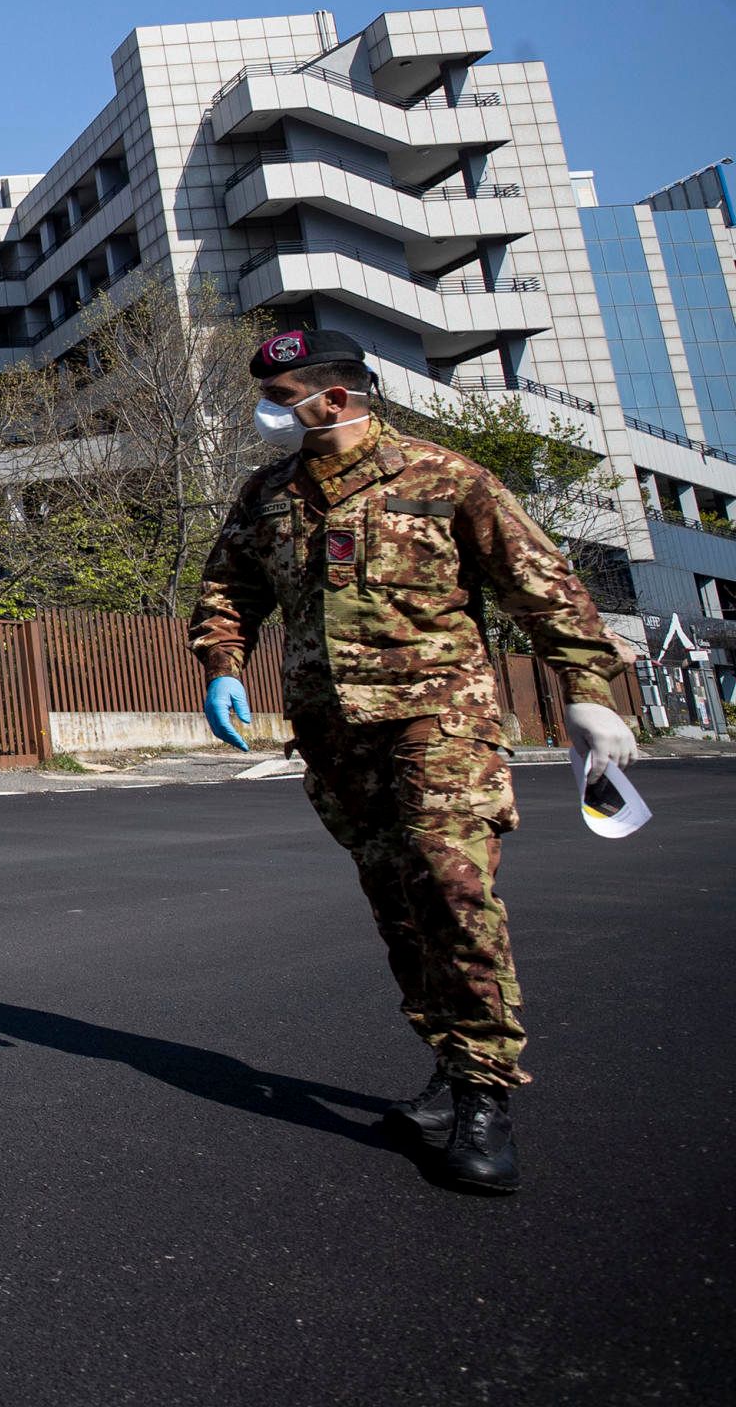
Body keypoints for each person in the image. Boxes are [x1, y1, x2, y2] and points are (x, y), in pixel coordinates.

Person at [189, 326, 636, 1193]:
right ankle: (446, 1057)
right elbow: (228, 587)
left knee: (452, 887)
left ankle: (484, 1090)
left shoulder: (446, 478)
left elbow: (538, 581)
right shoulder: (270, 492)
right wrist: (221, 664)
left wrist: (586, 687)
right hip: (335, 734)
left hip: (440, 721)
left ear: (337, 398)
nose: (270, 417)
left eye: (282, 403)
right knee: (397, 903)